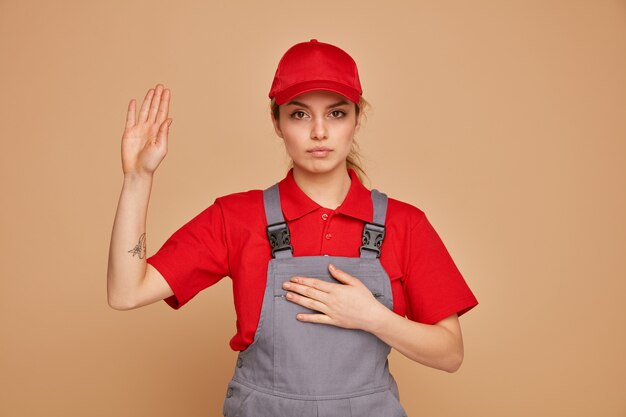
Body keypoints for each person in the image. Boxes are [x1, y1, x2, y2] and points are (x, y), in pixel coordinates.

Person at [107, 39, 479, 417]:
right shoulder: (236, 217)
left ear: (357, 118)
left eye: (336, 114)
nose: (319, 132)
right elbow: (126, 292)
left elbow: (450, 353)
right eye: (300, 115)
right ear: (277, 122)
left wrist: (374, 318)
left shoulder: (405, 224)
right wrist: (138, 179)